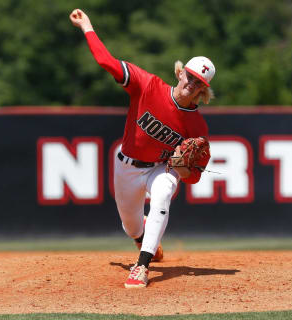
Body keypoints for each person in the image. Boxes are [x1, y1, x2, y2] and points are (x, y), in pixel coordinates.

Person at [70, 8, 215, 288]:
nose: (192, 83)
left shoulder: (197, 127)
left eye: (200, 83)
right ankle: (141, 238)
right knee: (131, 226)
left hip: (160, 168)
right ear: (180, 72)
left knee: (163, 193)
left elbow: (194, 176)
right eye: (191, 76)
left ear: (203, 91)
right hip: (126, 165)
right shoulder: (148, 86)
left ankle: (142, 266)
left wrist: (182, 170)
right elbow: (106, 61)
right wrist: (87, 26)